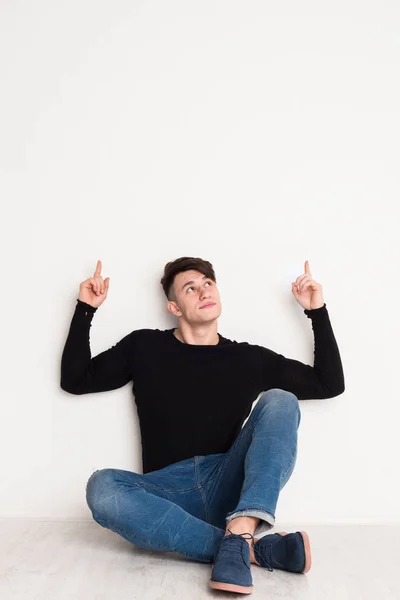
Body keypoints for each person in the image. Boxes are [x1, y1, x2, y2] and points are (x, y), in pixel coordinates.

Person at [61, 256, 345, 595]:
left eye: (208, 284)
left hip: (225, 483)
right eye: (190, 288)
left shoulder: (248, 359)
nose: (203, 291)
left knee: (281, 400)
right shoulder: (144, 346)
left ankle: (240, 528)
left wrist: (316, 310)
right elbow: (75, 380)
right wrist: (85, 308)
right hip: (167, 494)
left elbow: (329, 384)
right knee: (102, 488)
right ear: (174, 307)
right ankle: (250, 548)